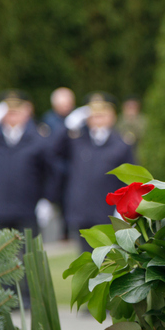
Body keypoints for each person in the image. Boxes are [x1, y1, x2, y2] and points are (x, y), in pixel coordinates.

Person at [0, 90, 55, 234]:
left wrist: (47, 199)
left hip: (27, 209)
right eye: (8, 111)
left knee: (29, 248)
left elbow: (50, 172)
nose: (12, 115)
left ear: (27, 110)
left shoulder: (38, 138)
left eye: (17, 111)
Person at [55, 93, 134, 252]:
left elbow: (129, 179)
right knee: (86, 258)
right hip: (82, 212)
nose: (98, 119)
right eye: (93, 115)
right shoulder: (77, 141)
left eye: (102, 114)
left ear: (112, 116)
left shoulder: (121, 144)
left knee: (110, 258)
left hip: (108, 212)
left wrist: (123, 209)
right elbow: (52, 150)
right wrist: (67, 126)